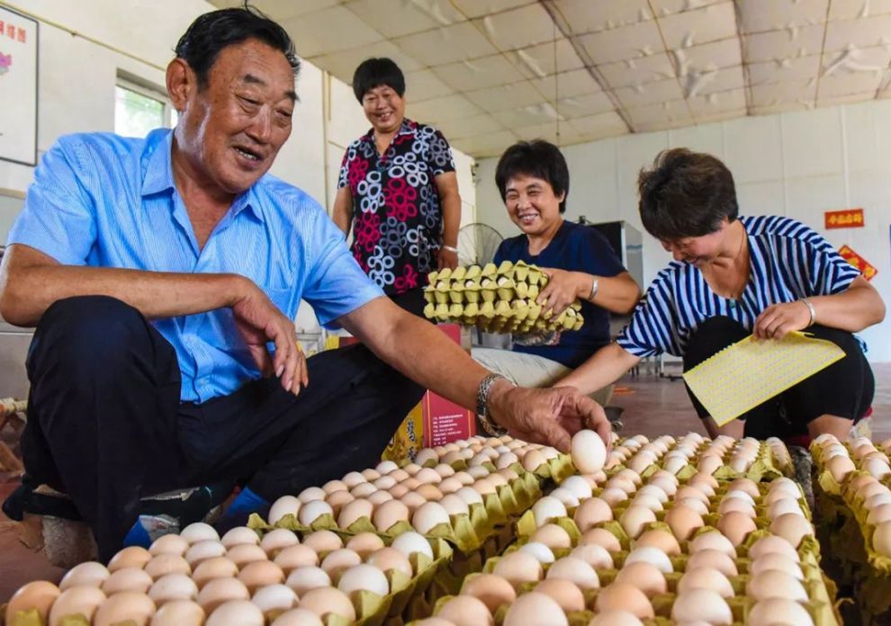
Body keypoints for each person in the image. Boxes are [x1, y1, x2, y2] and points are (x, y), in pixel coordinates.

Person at [0, 7, 609, 561]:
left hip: (239, 426)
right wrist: (228, 288)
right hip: (127, 424)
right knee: (90, 326)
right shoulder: (89, 166)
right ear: (182, 85)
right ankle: (128, 544)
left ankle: (242, 517)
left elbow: (392, 327)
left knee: (392, 361)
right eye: (249, 101)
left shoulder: (294, 218)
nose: (265, 131)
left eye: (284, 114)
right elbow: (22, 291)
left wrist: (506, 400)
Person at [557, 148, 885, 442]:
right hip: (758, 419)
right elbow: (621, 353)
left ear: (721, 219)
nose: (676, 255)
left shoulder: (787, 243)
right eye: (667, 245)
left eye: (683, 244)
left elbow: (872, 305)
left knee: (828, 332)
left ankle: (829, 455)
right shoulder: (674, 285)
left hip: (824, 404)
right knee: (709, 337)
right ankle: (735, 455)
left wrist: (807, 309)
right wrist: (555, 394)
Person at [472, 141, 641, 405]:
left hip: (581, 374)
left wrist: (580, 283)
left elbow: (631, 296)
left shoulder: (583, 240)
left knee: (471, 363)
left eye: (533, 192)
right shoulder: (508, 251)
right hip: (525, 364)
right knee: (453, 361)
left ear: (560, 193)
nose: (523, 204)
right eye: (512, 195)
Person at [332, 57, 461, 317]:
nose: (381, 105)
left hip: (419, 268)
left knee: (416, 339)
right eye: (370, 98)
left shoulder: (428, 139)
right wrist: (331, 257)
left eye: (387, 94)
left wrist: (450, 246)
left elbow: (450, 194)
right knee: (369, 341)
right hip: (365, 273)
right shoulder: (354, 152)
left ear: (402, 96)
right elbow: (343, 209)